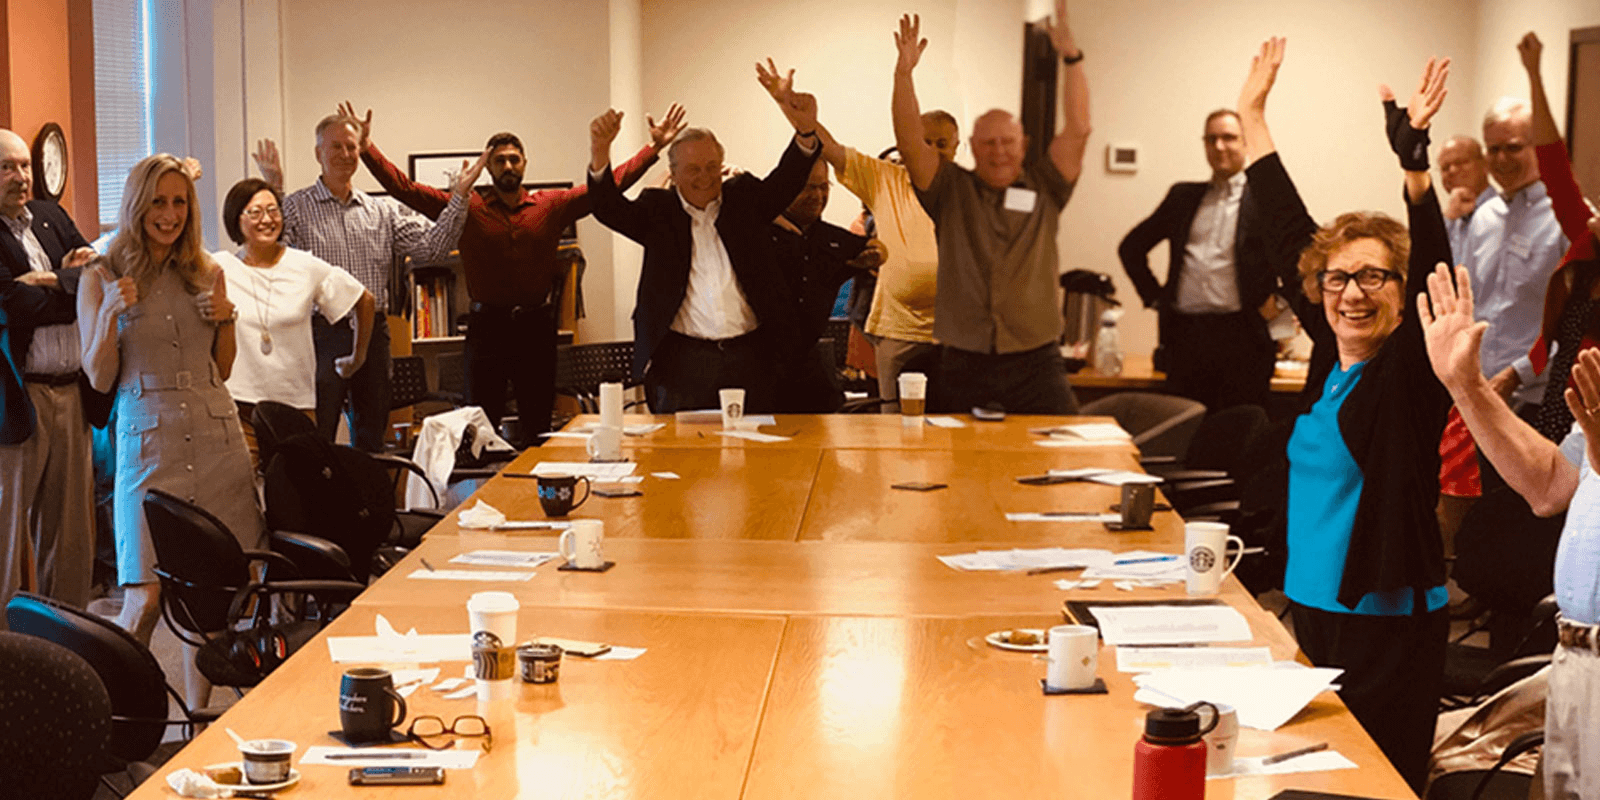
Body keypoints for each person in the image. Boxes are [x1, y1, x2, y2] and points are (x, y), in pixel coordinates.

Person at [1239, 39, 1453, 791]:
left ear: (1401, 291)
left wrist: (1415, 172)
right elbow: (1285, 226)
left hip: (1388, 619)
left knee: (1375, 781)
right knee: (1317, 778)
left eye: (1373, 277)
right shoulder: (1333, 360)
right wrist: (1252, 116)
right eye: (1339, 277)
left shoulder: (1411, 371)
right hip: (1314, 604)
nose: (1352, 293)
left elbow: (1433, 268)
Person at [1419, 39, 1600, 788]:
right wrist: (1467, 384)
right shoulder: (1577, 250)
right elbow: (1551, 488)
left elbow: (1554, 165)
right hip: (1577, 658)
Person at [352, 103, 685, 444]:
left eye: (514, 158)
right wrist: (367, 150)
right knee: (481, 426)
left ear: (524, 164)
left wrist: (654, 147)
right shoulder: (467, 206)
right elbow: (403, 188)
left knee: (538, 424)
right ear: (489, 168)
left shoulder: (552, 204)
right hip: (486, 330)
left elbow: (609, 185)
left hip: (536, 329)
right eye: (500, 160)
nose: (508, 165)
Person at [77, 155, 266, 660]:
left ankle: (199, 719)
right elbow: (98, 378)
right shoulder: (102, 274)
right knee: (143, 596)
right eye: (158, 202)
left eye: (179, 202)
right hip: (148, 441)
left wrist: (227, 321)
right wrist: (111, 315)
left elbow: (222, 369)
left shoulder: (207, 271)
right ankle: (115, 716)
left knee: (219, 596)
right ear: (138, 205)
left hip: (217, 438)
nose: (170, 214)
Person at [892, 1, 1087, 415]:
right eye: (989, 143)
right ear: (973, 148)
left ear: (1024, 147)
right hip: (964, 361)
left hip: (1036, 360)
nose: (999, 152)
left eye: (1007, 142)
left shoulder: (1047, 188)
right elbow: (911, 142)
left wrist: (1071, 58)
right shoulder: (949, 189)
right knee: (962, 467)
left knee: (1062, 453)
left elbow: (1079, 130)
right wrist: (904, 74)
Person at [589, 86, 821, 414]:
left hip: (751, 357)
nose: (705, 177)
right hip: (683, 363)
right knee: (683, 457)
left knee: (758, 456)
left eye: (712, 166)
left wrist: (805, 131)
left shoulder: (745, 200)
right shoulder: (659, 213)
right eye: (694, 169)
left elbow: (786, 181)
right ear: (674, 174)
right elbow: (607, 208)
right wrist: (600, 152)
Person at [253, 117, 470, 453]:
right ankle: (322, 504)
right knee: (319, 430)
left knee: (371, 434)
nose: (344, 154)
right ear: (318, 153)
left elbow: (431, 248)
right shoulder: (295, 207)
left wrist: (458, 198)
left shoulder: (381, 210)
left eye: (351, 146)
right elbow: (271, 253)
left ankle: (366, 502)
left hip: (373, 334)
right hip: (320, 332)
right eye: (335, 146)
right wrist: (274, 190)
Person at [770, 58, 950, 412]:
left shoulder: (971, 190)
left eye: (942, 143)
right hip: (897, 333)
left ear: (958, 146)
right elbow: (831, 148)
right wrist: (795, 114)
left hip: (954, 336)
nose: (932, 150)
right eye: (924, 141)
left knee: (952, 430)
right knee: (893, 432)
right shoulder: (886, 179)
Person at [0, 127, 109, 619]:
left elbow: (99, 273)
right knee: (6, 532)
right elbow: (12, 302)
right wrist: (70, 284)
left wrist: (50, 279)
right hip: (19, 399)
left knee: (70, 537)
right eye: (6, 168)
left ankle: (67, 638)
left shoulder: (50, 216)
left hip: (72, 393)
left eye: (23, 166)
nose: (19, 177)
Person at [1117, 108, 1275, 411]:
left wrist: (1280, 302)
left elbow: (1303, 259)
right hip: (1184, 339)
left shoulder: (1265, 199)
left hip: (1242, 340)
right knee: (1182, 428)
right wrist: (1155, 297)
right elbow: (1132, 247)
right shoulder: (1182, 197)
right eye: (1211, 139)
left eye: (1228, 138)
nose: (1219, 147)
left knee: (1238, 433)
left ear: (1245, 143)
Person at [214, 178, 372, 465]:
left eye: (273, 211)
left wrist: (357, 358)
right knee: (244, 495)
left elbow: (364, 300)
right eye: (255, 212)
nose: (266, 220)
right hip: (239, 405)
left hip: (295, 406)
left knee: (295, 498)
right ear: (236, 219)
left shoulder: (304, 265)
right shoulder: (221, 267)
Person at [764, 157, 883, 412]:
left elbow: (872, 249)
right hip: (761, 368)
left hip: (811, 366)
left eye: (824, 186)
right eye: (808, 187)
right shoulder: (758, 233)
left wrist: (877, 252)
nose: (818, 195)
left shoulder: (832, 239)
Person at [1438, 135, 1493, 259]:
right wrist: (1450, 217)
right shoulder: (1447, 222)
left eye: (1460, 162)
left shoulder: (1508, 212)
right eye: (1445, 168)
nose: (1452, 170)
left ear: (1485, 164)